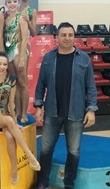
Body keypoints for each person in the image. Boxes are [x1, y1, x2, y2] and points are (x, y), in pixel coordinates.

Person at [33, 22, 98, 189]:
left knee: (74, 151)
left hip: (76, 113)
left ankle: (68, 184)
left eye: (70, 35)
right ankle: (42, 182)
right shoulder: (48, 58)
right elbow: (41, 84)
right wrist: (39, 107)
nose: (67, 38)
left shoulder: (84, 59)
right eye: (63, 35)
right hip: (52, 112)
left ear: (74, 37)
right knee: (46, 149)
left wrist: (91, 109)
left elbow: (90, 86)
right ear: (57, 38)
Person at [0, 52, 40, 185]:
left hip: (6, 115)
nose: (1, 67)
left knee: (10, 136)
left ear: (7, 65)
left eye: (4, 64)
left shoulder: (11, 79)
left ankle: (14, 170)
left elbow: (11, 103)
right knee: (8, 121)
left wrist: (15, 123)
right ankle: (29, 154)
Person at [4, 0, 30, 123]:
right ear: (5, 4)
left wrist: (21, 59)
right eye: (9, 2)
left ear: (18, 3)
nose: (12, 4)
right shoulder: (5, 19)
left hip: (19, 51)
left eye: (14, 1)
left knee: (23, 83)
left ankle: (24, 113)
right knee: (14, 83)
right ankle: (18, 111)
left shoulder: (21, 19)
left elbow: (25, 38)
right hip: (9, 52)